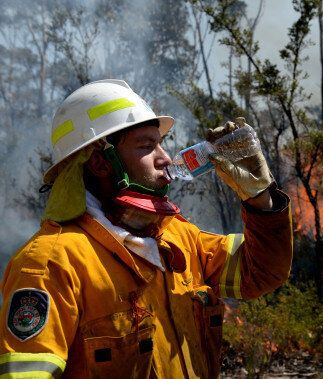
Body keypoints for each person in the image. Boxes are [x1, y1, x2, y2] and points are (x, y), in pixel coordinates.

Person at [0, 79, 293, 378]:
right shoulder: (50, 263)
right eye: (146, 145)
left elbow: (262, 272)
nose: (165, 158)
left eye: (160, 143)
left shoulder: (177, 236)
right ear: (101, 163)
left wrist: (261, 199)